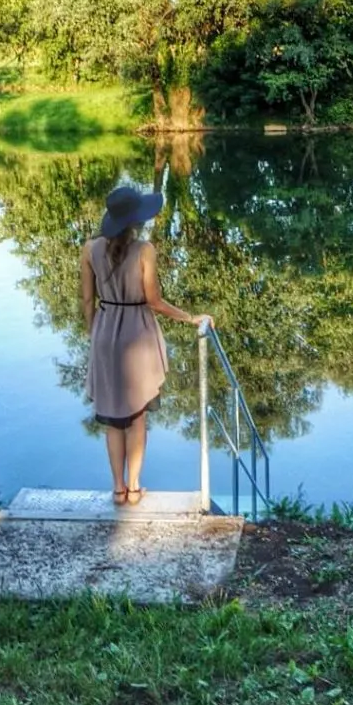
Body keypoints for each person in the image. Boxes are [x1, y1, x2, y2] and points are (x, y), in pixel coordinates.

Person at [80, 185, 212, 506]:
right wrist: (190, 316)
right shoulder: (144, 251)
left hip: (105, 329)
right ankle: (135, 487)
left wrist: (94, 331)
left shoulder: (89, 249)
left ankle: (117, 488)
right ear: (135, 221)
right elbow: (154, 301)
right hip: (136, 333)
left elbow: (87, 299)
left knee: (112, 419)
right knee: (137, 415)